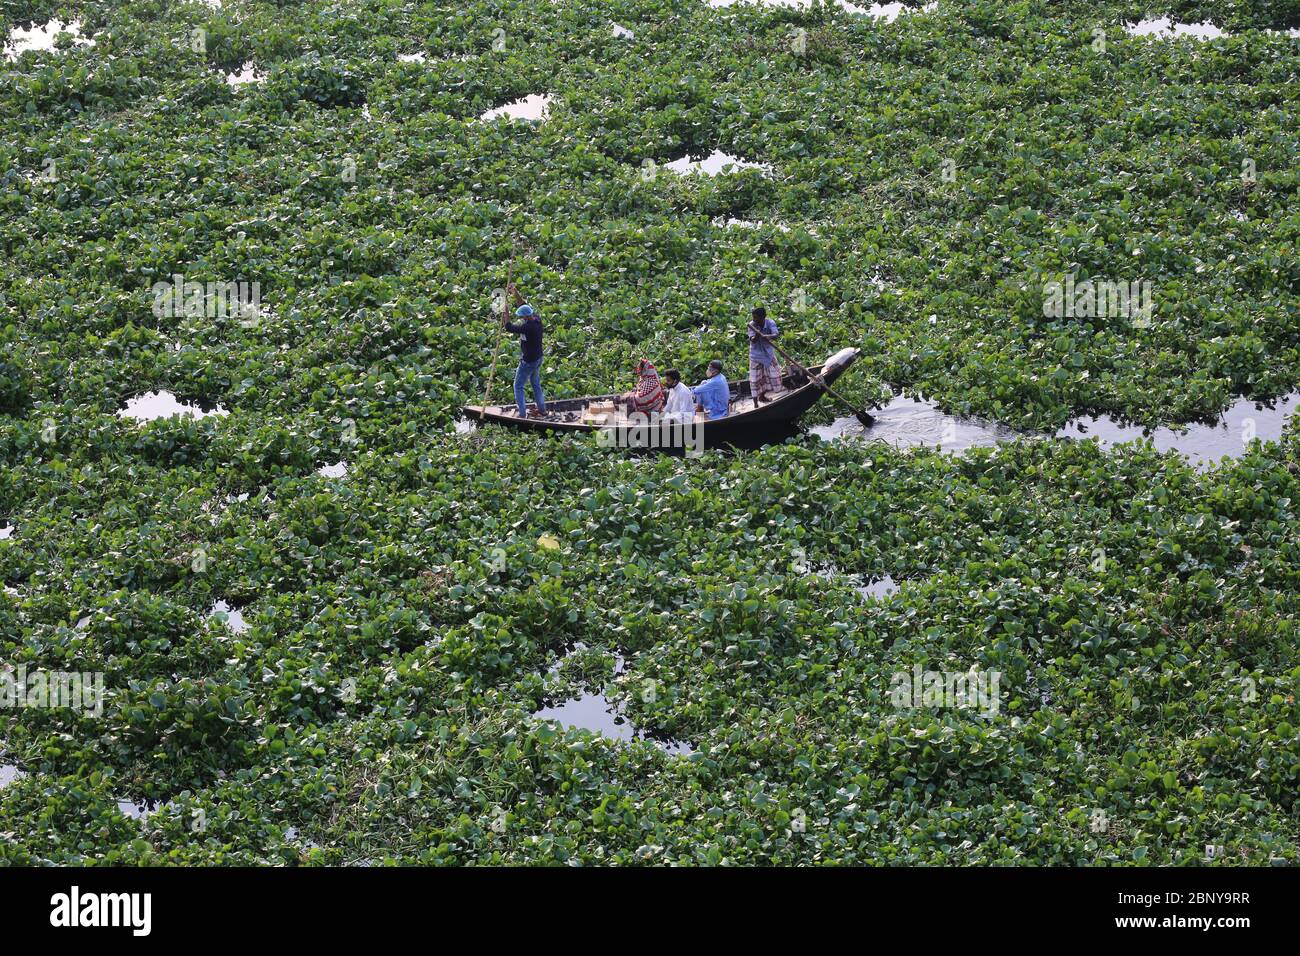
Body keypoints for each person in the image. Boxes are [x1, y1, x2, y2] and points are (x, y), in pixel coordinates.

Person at [502, 283, 547, 418]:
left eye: (521, 317)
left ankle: (522, 415)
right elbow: (523, 304)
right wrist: (514, 293)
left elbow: (509, 327)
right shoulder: (537, 319)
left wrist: (506, 314)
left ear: (525, 317)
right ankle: (542, 410)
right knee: (535, 384)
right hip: (538, 358)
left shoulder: (527, 328)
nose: (520, 319)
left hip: (528, 361)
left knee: (518, 386)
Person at [746, 306, 782, 403]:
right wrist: (757, 335)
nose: (754, 319)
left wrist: (767, 336)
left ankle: (763, 396)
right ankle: (755, 403)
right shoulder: (751, 325)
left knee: (776, 375)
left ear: (763, 317)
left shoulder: (770, 323)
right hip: (756, 356)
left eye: (756, 317)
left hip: (768, 354)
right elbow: (752, 340)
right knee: (755, 380)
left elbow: (776, 335)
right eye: (753, 317)